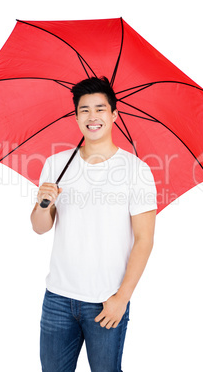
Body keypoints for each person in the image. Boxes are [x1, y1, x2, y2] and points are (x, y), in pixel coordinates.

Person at [30, 77, 157, 372]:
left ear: (114, 114)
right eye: (84, 110)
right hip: (58, 298)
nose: (92, 117)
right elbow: (39, 227)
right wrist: (44, 203)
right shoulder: (56, 163)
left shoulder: (136, 170)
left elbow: (144, 239)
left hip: (106, 300)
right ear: (76, 116)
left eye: (100, 109)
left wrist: (121, 299)